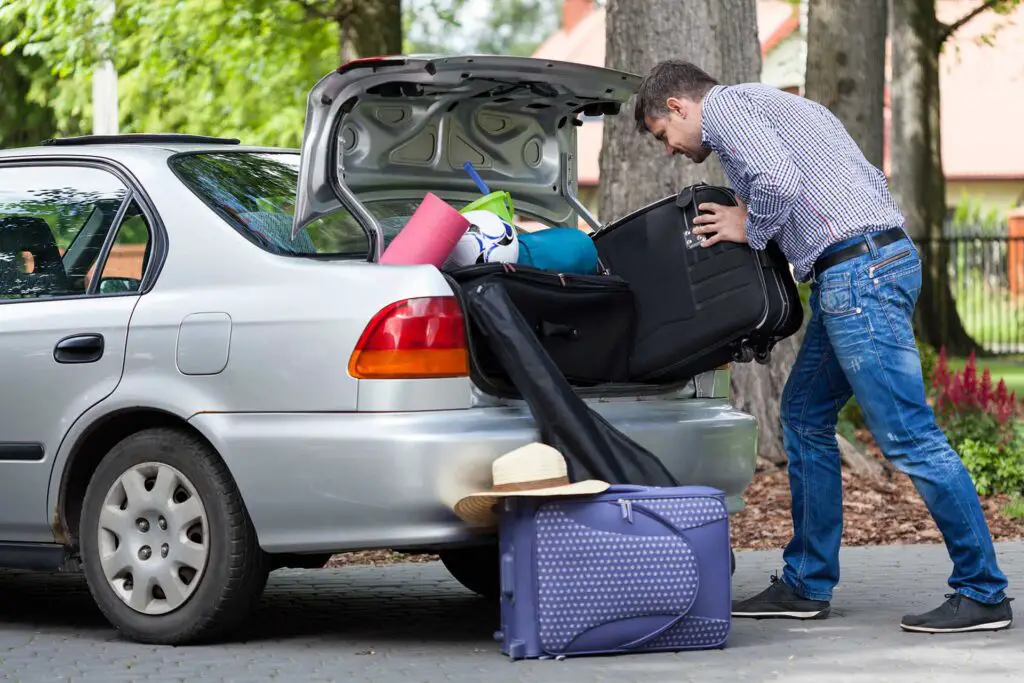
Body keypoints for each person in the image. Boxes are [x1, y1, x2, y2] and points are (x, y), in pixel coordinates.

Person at [633, 59, 1013, 633]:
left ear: (681, 107)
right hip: (866, 267)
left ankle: (983, 591)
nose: (670, 148)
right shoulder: (779, 106)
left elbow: (779, 182)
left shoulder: (729, 109)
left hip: (859, 274)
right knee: (805, 416)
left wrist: (749, 228)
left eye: (664, 134)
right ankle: (806, 583)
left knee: (908, 435)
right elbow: (854, 176)